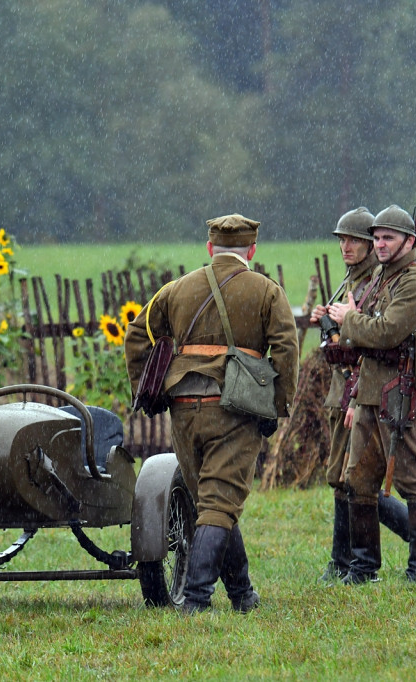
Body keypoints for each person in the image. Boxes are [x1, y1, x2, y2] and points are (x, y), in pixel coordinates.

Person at [125, 214, 299, 613]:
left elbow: (137, 334)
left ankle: (242, 594)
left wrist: (146, 388)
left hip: (184, 409)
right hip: (235, 409)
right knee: (220, 504)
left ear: (210, 248)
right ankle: (197, 600)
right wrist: (276, 405)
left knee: (213, 502)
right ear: (251, 250)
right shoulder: (267, 292)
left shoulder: (177, 289)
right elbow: (286, 351)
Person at [311, 208, 416, 582]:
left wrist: (349, 320)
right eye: (377, 237)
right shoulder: (378, 279)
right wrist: (354, 397)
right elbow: (362, 339)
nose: (381, 244)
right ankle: (362, 568)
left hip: (407, 395)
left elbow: (387, 331)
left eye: (388, 237)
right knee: (358, 480)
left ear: (410, 240)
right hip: (371, 391)